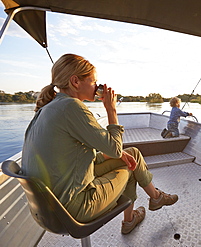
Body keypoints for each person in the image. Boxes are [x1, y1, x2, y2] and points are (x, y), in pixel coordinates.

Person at [21, 53, 178, 235]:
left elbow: (73, 159)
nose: (97, 86)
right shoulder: (72, 107)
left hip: (49, 209)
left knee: (132, 154)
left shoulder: (47, 109)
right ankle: (136, 214)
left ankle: (152, 201)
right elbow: (115, 148)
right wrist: (111, 109)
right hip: (73, 208)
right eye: (94, 81)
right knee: (130, 167)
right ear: (75, 81)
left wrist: (109, 155)